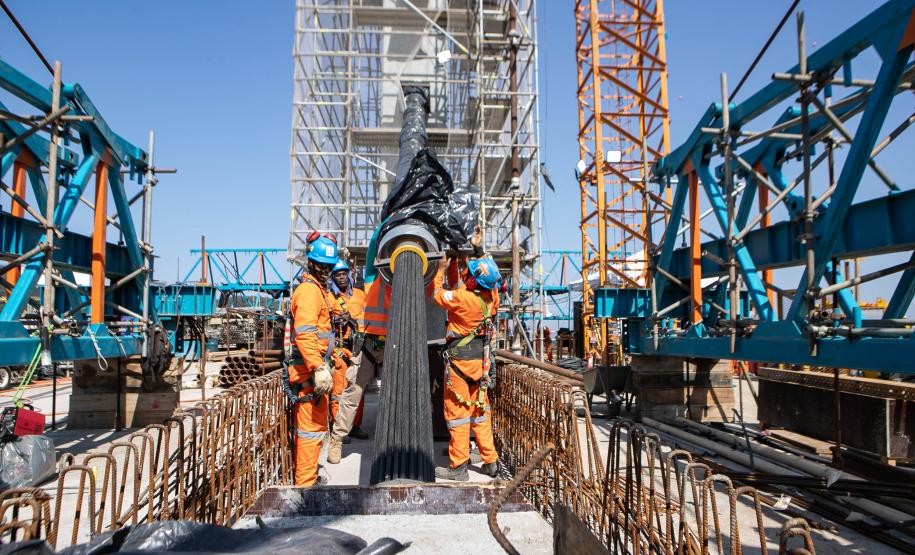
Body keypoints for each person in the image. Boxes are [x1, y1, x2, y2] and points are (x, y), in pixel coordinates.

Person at [432, 248, 501, 481]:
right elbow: (460, 284)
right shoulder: (491, 298)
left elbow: (438, 294)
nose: (466, 276)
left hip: (459, 365)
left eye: (469, 275)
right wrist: (455, 265)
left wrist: (440, 270)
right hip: (479, 364)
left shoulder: (462, 299)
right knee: (480, 413)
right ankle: (490, 461)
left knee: (458, 415)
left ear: (473, 281)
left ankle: (458, 466)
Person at [286, 233, 346, 487]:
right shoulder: (309, 291)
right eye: (323, 266)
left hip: (315, 366)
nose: (327, 271)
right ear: (312, 263)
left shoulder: (319, 291)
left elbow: (338, 308)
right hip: (308, 369)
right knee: (310, 428)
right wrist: (318, 366)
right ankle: (305, 483)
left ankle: (308, 477)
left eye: (330, 267)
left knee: (317, 426)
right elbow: (306, 334)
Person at [327, 259, 371, 464]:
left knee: (357, 390)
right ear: (334, 278)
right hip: (341, 348)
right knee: (339, 392)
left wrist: (351, 316)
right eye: (338, 274)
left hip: (359, 346)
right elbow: (326, 320)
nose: (342, 277)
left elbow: (366, 315)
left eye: (344, 273)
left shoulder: (360, 295)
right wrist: (337, 319)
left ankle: (355, 426)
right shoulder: (330, 297)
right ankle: (338, 429)